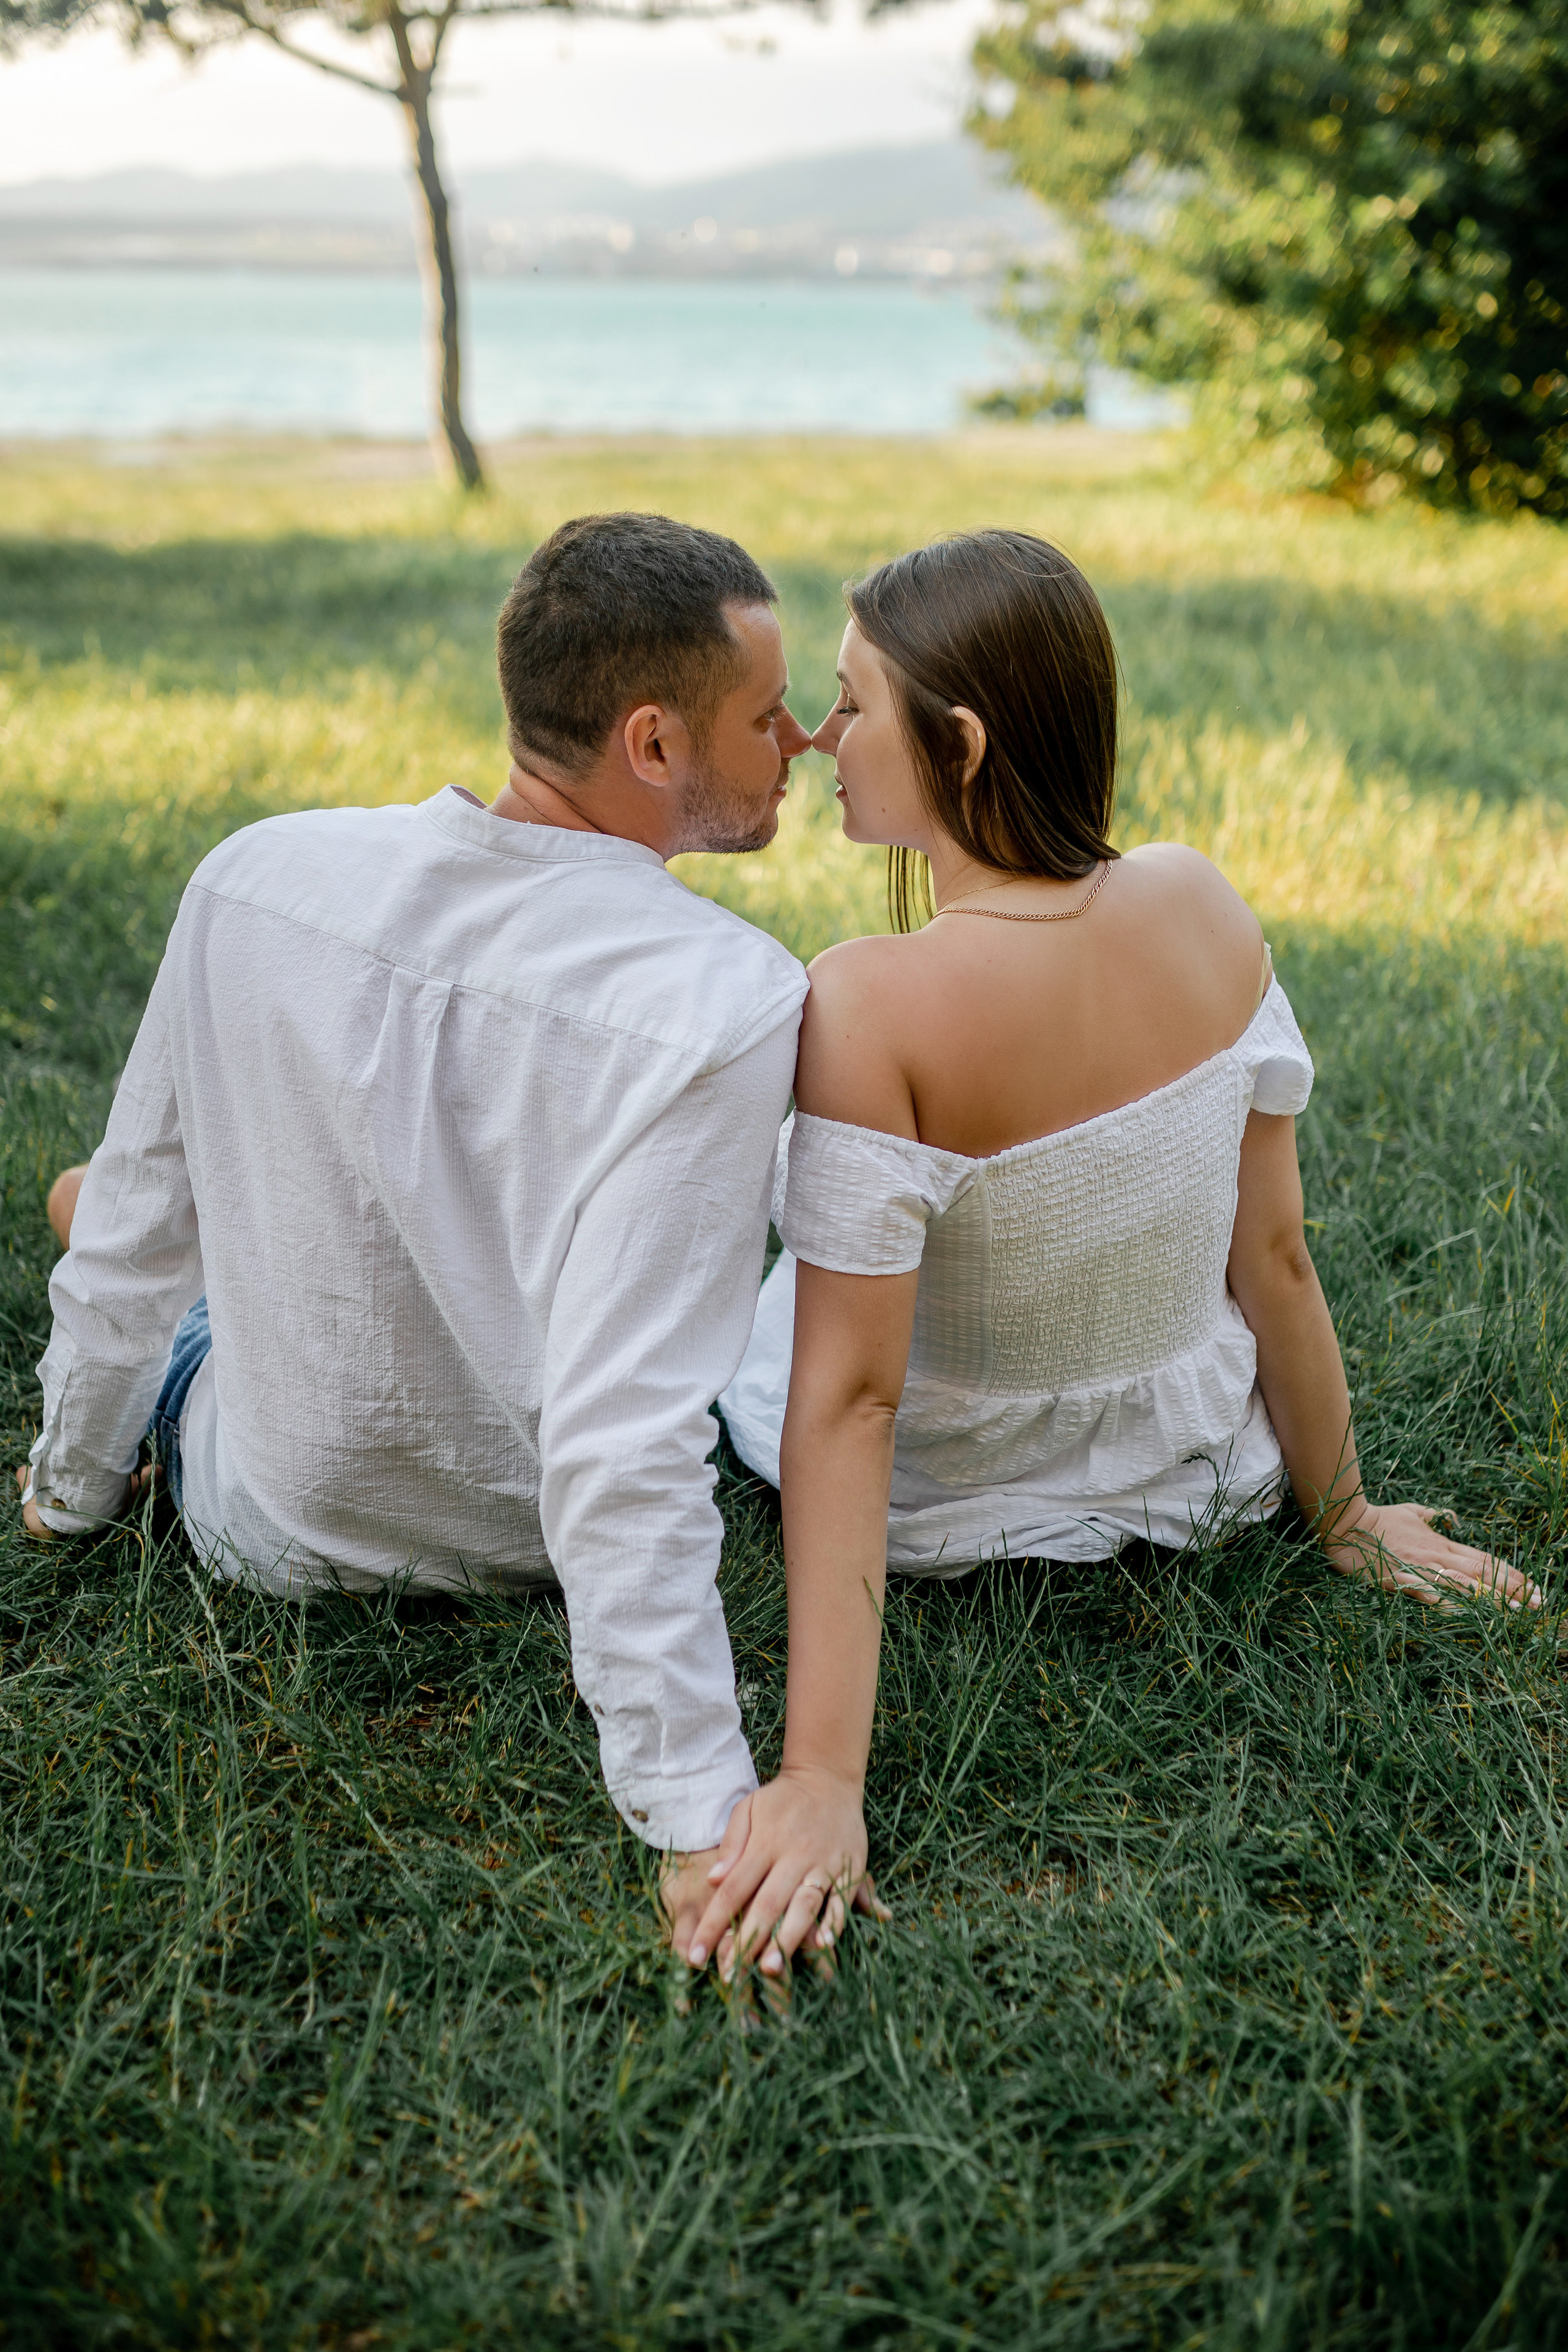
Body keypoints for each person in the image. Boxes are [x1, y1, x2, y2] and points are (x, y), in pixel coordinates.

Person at [680, 527, 1543, 1986]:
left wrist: (822, 1776)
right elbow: (1270, 1254)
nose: (819, 737)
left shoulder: (866, 1000)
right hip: (1189, 1466)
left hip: (940, 1501)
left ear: (955, 743)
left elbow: (848, 1404)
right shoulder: (1201, 902)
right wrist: (1337, 1515)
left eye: (849, 705)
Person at [16, 511, 816, 1901]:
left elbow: (145, 1230)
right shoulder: (729, 998)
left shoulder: (256, 873)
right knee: (132, 1206)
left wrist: (70, 1492)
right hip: (529, 1540)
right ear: (652, 746)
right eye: (767, 714)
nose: (802, 740)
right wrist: (695, 1812)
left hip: (266, 1520)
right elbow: (624, 1430)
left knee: (101, 1199)